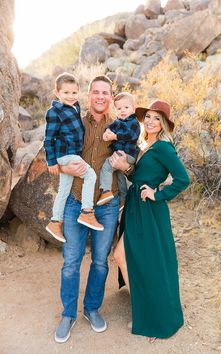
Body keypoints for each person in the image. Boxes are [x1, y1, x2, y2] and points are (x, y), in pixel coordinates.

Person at [54, 75, 127, 343]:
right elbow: (55, 153)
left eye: (105, 92)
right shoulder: (74, 122)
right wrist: (61, 166)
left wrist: (127, 167)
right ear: (88, 95)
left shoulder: (122, 126)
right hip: (75, 202)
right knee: (71, 262)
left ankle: (92, 309)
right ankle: (68, 313)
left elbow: (132, 161)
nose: (100, 96)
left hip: (106, 206)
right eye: (95, 91)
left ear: (111, 96)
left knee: (99, 261)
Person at [111, 99, 190, 341]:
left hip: (149, 209)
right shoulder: (146, 144)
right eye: (149, 117)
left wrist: (157, 193)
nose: (151, 121)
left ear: (164, 123)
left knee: (138, 258)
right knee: (127, 256)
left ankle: (148, 313)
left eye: (158, 118)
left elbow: (182, 179)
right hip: (136, 206)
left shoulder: (165, 147)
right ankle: (143, 305)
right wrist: (125, 168)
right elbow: (141, 175)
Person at [44, 72, 104, 244]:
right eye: (66, 93)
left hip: (73, 153)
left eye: (74, 92)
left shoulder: (75, 106)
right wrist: (52, 161)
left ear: (78, 92)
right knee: (90, 175)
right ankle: (86, 212)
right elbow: (49, 138)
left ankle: (55, 222)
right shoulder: (54, 112)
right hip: (66, 154)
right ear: (57, 92)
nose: (70, 96)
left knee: (64, 189)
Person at [97, 92, 140, 208]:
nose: (123, 111)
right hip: (122, 154)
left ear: (133, 108)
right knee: (120, 176)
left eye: (126, 107)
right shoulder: (119, 121)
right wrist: (107, 132)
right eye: (119, 108)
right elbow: (111, 127)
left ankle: (106, 191)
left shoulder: (133, 122)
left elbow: (131, 135)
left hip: (127, 154)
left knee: (107, 166)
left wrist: (115, 137)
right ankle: (123, 199)